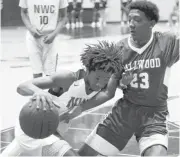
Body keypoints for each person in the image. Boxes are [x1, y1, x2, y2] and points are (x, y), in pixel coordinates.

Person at [60, 1, 179, 156]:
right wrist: (79, 108)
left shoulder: (166, 42)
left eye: (137, 20)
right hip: (124, 114)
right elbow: (108, 92)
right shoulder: (120, 49)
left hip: (154, 117)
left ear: (151, 23)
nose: (131, 24)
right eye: (129, 20)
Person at [1, 41, 129, 156]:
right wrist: (38, 92)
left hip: (51, 131)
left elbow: (108, 94)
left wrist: (82, 108)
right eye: (97, 78)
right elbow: (22, 87)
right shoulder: (68, 79)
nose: (100, 84)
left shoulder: (102, 83)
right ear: (88, 69)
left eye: (106, 79)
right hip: (35, 127)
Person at [19, 0, 68, 78]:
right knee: (37, 74)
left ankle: (51, 90)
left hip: (51, 37)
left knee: (51, 76)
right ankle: (37, 90)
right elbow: (23, 12)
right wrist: (31, 28)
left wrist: (54, 34)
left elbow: (63, 16)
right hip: (33, 38)